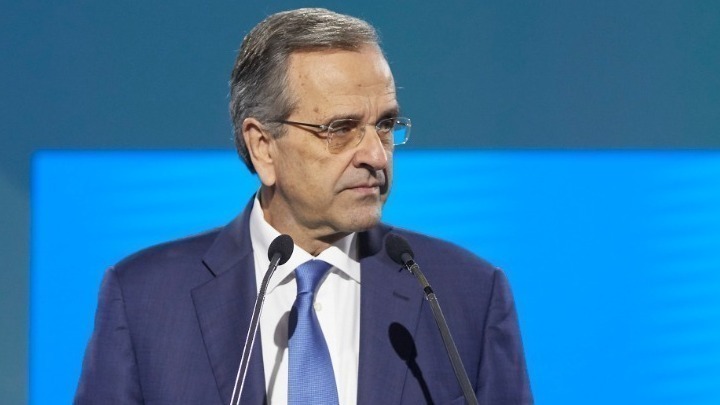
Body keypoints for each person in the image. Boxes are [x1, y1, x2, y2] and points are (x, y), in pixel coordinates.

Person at [75, 8, 532, 405]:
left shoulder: (465, 293)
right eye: (341, 128)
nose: (376, 156)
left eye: (386, 124)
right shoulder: (144, 298)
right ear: (263, 147)